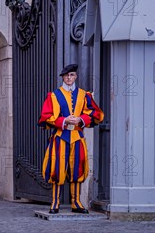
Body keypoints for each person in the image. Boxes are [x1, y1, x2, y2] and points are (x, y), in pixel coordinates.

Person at [38, 63, 104, 214]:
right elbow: (45, 117)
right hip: (60, 137)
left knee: (77, 169)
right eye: (66, 75)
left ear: (76, 76)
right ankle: (55, 202)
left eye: (72, 75)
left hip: (77, 137)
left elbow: (96, 114)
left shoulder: (84, 95)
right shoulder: (54, 95)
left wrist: (81, 120)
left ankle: (76, 202)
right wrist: (63, 121)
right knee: (57, 170)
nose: (69, 78)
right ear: (62, 77)